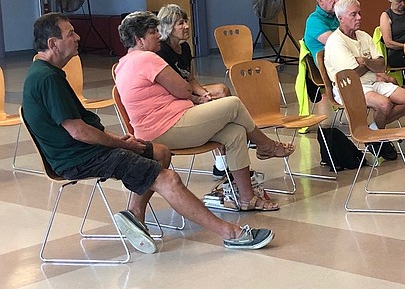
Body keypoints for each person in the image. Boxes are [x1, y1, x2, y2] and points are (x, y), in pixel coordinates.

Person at [22, 13, 274, 251]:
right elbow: (79, 132)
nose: (77, 38)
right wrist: (120, 144)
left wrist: (118, 142)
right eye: (70, 33)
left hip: (86, 149)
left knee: (160, 153)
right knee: (168, 179)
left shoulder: (47, 73)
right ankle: (232, 234)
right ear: (53, 43)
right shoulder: (47, 79)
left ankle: (135, 216)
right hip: (80, 157)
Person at [114, 11, 294, 212]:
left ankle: (247, 198)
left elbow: (183, 87)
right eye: (152, 32)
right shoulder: (147, 58)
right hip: (166, 128)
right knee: (233, 103)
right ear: (139, 40)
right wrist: (194, 96)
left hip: (166, 125)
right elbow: (184, 90)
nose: (158, 35)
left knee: (234, 133)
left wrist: (196, 97)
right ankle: (266, 145)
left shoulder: (123, 63)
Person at [323, 0, 405, 158]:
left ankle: (373, 132)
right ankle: (377, 138)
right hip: (349, 88)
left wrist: (364, 61)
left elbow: (381, 64)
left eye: (359, 13)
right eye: (353, 15)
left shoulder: (363, 36)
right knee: (384, 104)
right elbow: (353, 73)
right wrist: (371, 65)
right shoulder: (336, 42)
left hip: (372, 81)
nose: (359, 18)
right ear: (341, 18)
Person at [156, 4, 233, 178]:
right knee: (222, 108)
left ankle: (221, 162)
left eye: (186, 21)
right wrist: (196, 99)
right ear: (168, 26)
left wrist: (202, 94)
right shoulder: (161, 51)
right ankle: (227, 157)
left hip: (187, 91)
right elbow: (170, 87)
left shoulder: (185, 47)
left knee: (221, 90)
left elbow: (190, 78)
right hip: (174, 97)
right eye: (180, 23)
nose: (186, 26)